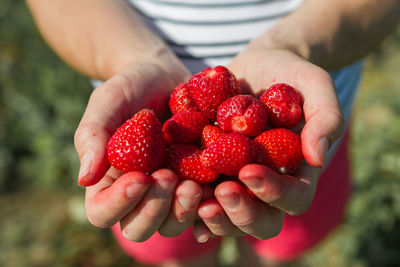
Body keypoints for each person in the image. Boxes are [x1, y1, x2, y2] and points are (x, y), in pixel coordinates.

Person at [26, 0, 400, 266]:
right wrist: (131, 59)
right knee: (170, 241)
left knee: (282, 240)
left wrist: (294, 47)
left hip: (303, 140)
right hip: (156, 137)